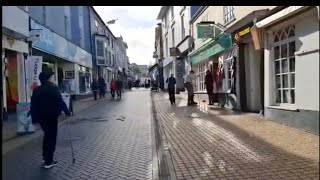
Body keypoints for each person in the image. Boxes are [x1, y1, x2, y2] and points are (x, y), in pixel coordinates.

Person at [30, 71, 71, 169]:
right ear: (48, 78)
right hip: (52, 117)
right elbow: (60, 101)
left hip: (41, 118)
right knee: (51, 138)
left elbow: (33, 105)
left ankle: (45, 157)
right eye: (52, 77)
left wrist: (34, 118)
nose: (53, 78)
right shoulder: (54, 88)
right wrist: (67, 111)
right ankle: (49, 161)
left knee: (47, 136)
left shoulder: (37, 90)